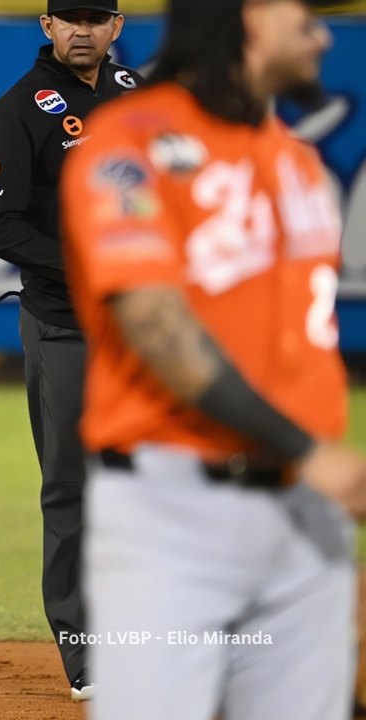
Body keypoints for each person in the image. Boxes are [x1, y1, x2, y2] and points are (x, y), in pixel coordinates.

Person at [60, 0, 366, 717]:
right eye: (307, 18)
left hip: (308, 519)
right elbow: (156, 328)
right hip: (173, 513)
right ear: (253, 19)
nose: (323, 36)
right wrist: (306, 450)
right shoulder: (129, 142)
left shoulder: (294, 158)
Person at [0, 0, 142, 700]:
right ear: (46, 27)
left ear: (116, 26)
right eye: (66, 17)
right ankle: (84, 649)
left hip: (148, 330)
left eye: (94, 17)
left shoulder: (142, 96)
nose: (81, 30)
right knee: (72, 486)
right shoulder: (18, 111)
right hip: (68, 325)